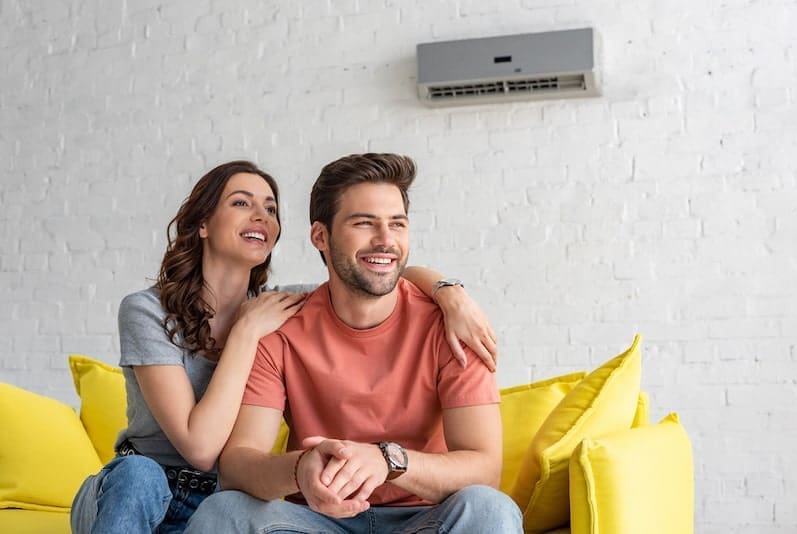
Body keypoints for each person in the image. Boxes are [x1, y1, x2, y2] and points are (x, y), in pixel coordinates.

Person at [69, 160, 500, 534]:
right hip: (145, 485)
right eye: (241, 203)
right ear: (202, 223)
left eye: (271, 209)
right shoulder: (159, 312)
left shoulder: (279, 306)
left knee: (489, 507)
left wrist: (448, 292)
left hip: (216, 496)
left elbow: (375, 277)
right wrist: (244, 334)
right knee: (148, 480)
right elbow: (203, 450)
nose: (261, 216)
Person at [184, 154, 522, 533]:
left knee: (490, 509)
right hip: (317, 521)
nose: (386, 240)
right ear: (320, 236)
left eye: (397, 224)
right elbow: (237, 465)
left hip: (425, 520)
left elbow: (485, 468)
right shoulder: (279, 328)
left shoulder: (454, 324)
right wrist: (300, 469)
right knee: (222, 512)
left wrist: (388, 461)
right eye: (364, 223)